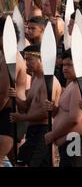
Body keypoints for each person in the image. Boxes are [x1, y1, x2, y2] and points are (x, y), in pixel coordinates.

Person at [44, 50, 82, 167]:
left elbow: (74, 119)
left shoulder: (81, 84)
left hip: (76, 140)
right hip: (71, 140)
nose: (65, 68)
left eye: (69, 65)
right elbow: (65, 111)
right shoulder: (73, 82)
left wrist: (53, 135)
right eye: (63, 65)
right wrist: (54, 109)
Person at [8, 44, 62, 167]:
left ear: (41, 59)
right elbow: (27, 106)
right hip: (32, 131)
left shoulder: (50, 81)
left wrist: (22, 118)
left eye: (29, 59)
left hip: (44, 130)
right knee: (20, 162)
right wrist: (15, 96)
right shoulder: (35, 78)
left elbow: (45, 113)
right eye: (25, 59)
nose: (26, 63)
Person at [0, 17, 28, 166]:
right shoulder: (5, 56)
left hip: (11, 115)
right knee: (16, 162)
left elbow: (4, 94)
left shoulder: (12, 58)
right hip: (7, 115)